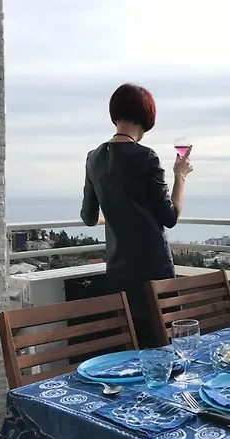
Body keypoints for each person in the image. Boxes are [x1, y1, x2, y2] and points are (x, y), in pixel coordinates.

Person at [80, 83, 193, 348]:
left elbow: (88, 216)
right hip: (153, 270)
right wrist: (180, 176)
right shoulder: (146, 157)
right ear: (146, 118)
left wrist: (113, 215)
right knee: (164, 345)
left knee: (130, 346)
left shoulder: (93, 158)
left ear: (115, 115)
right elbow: (170, 216)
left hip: (118, 272)